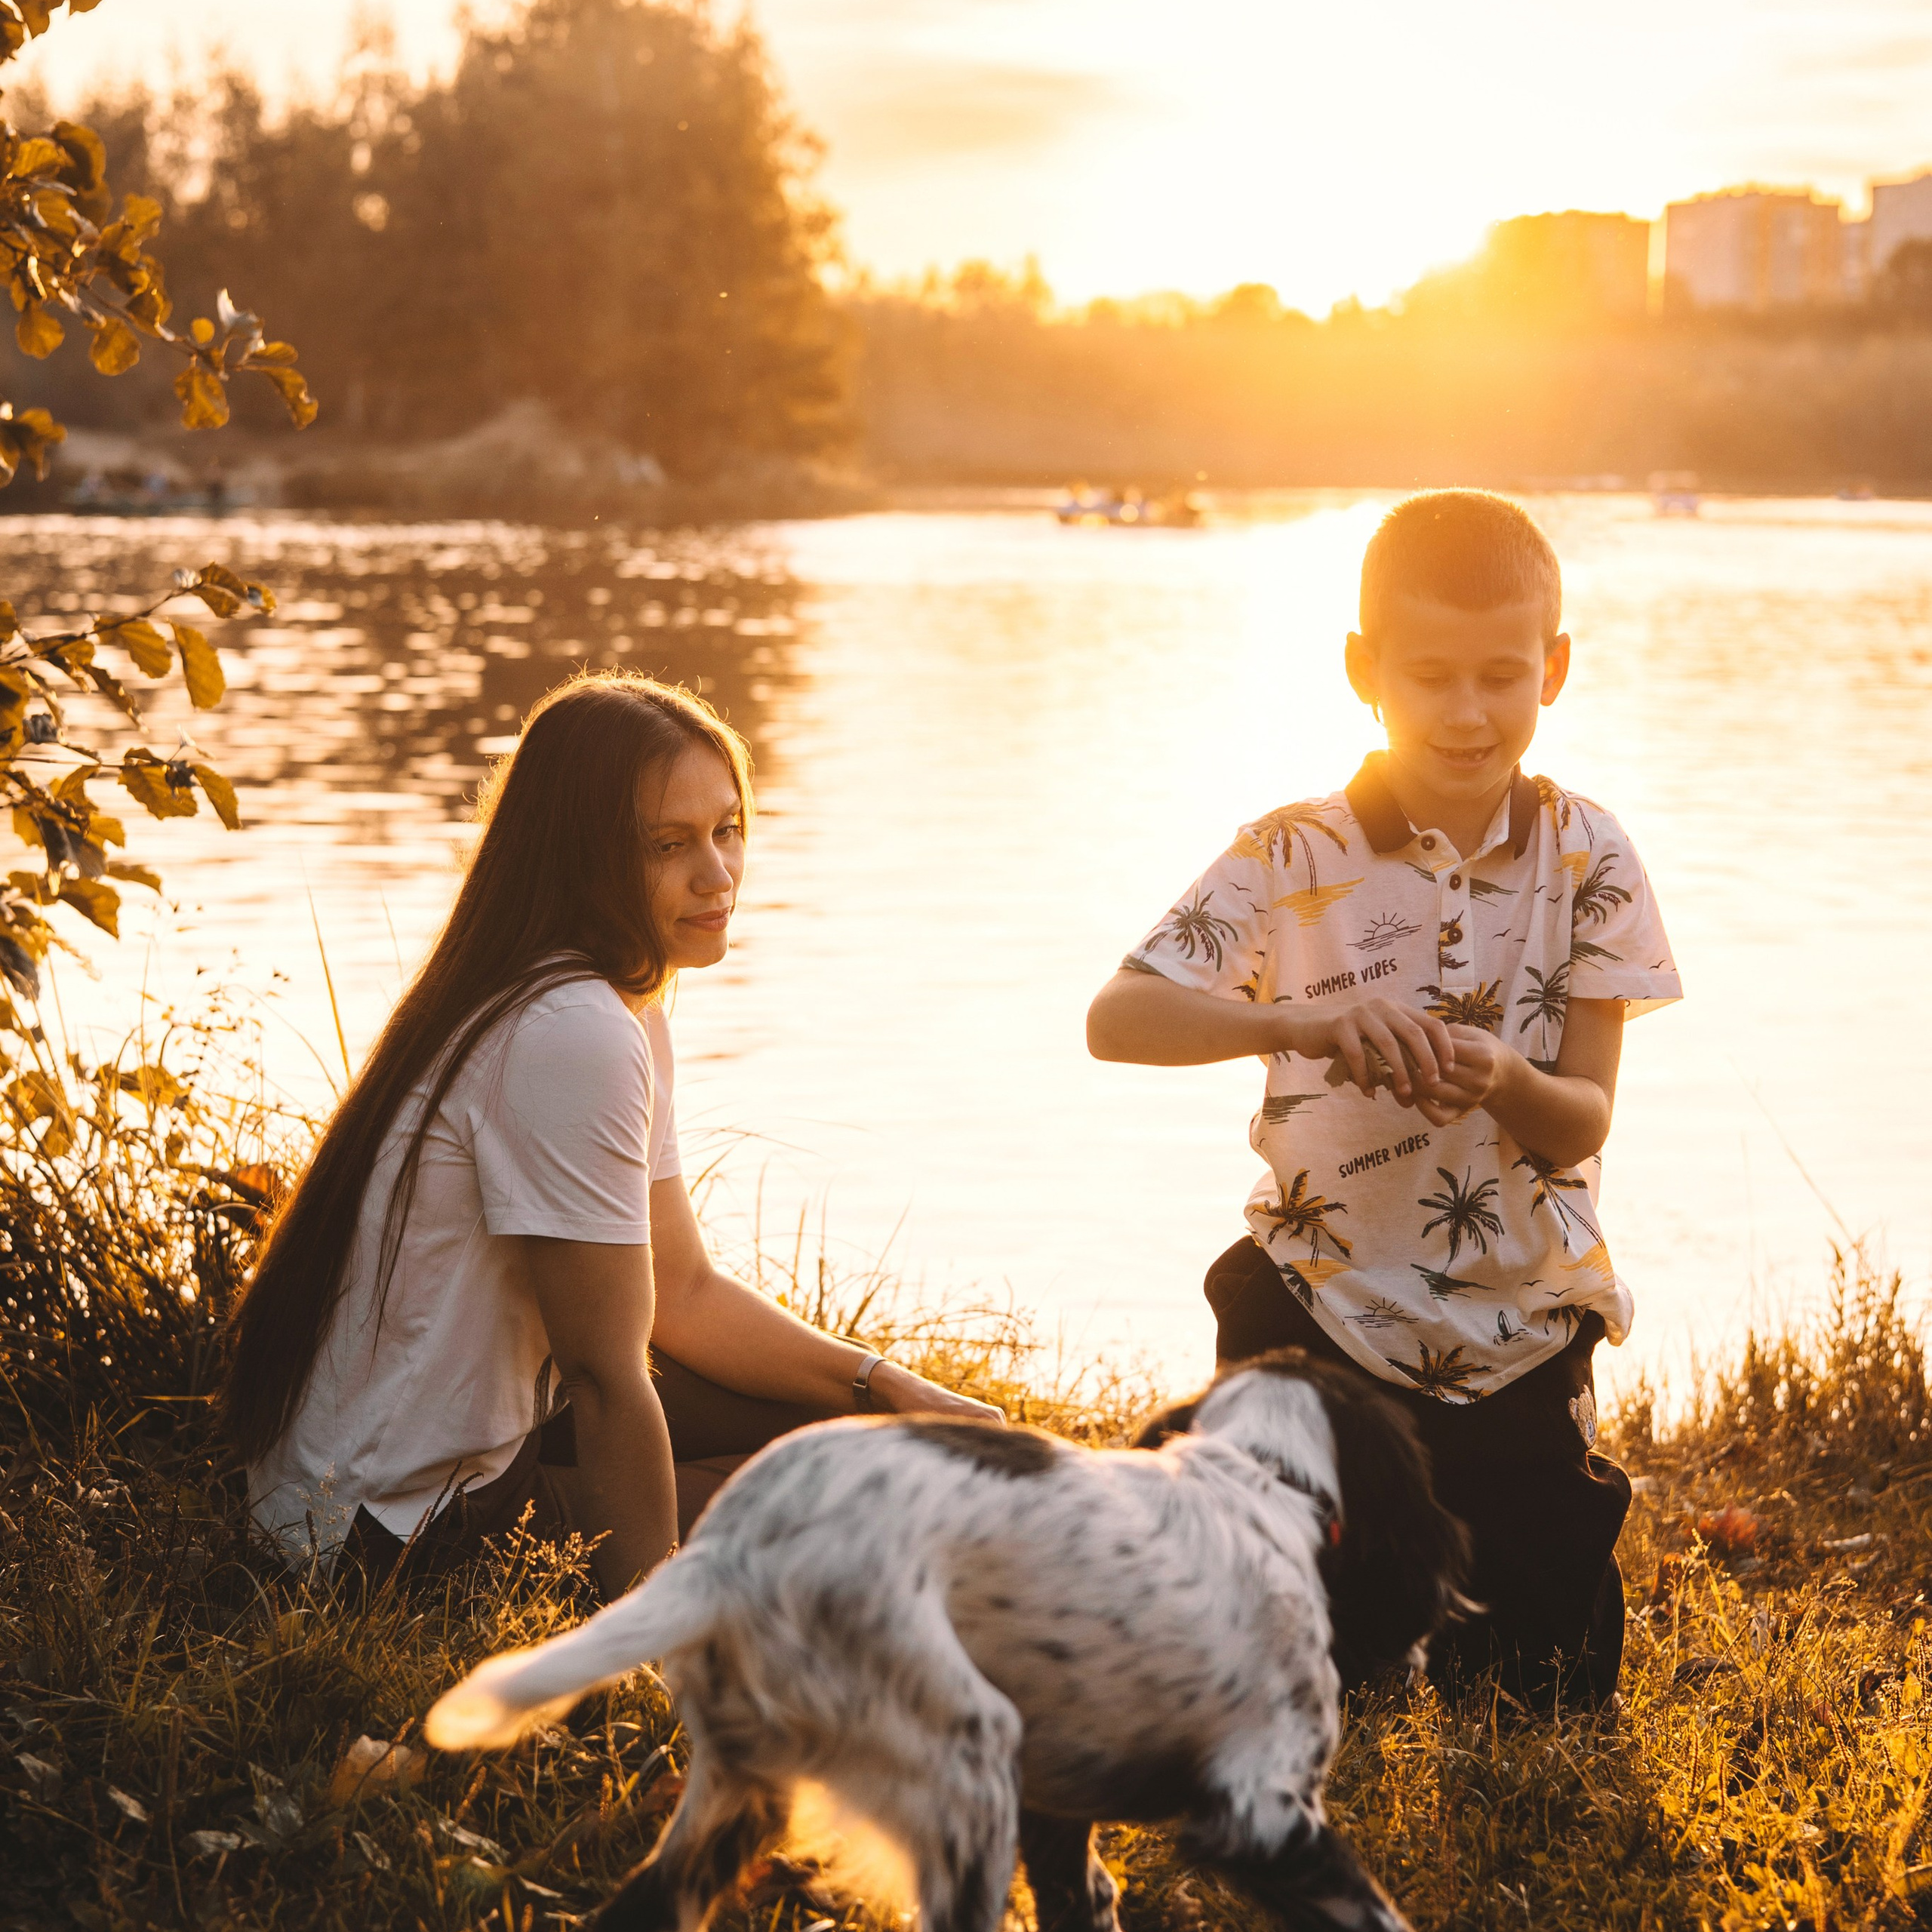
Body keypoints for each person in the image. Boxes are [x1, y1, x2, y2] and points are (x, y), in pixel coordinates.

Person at [1087, 491, 1680, 1708]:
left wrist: (1511, 1082)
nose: (1468, 712)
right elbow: (1117, 1020)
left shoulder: (1594, 858)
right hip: (1321, 1305)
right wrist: (1292, 1021)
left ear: (1554, 669)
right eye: (1430, 676)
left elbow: (1584, 1121)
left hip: (1518, 1318)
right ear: (1365, 670)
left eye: (1502, 675)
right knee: (1282, 1657)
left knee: (1542, 1689)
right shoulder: (1291, 853)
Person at [229, 670, 995, 1601]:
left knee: (864, 1432)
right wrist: (643, 1639)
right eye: (668, 845)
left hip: (398, 1471)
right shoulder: (570, 1029)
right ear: (579, 857)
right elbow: (603, 1372)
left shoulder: (602, 998)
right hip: (379, 1533)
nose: (716, 875)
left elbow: (680, 1289)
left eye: (728, 829)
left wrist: (883, 1382)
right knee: (878, 1493)